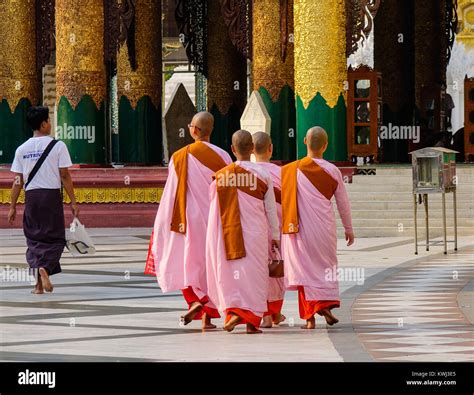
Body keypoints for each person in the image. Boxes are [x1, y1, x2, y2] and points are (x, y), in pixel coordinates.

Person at [147, 112, 232, 330]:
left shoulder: (179, 156)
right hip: (214, 219)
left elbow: (172, 193)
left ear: (194, 130)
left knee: (186, 264)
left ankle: (196, 301)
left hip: (188, 220)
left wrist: (164, 222)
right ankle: (207, 317)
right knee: (211, 267)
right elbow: (228, 192)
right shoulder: (224, 157)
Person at [206, 130, 280, 334]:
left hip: (229, 236)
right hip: (256, 235)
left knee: (232, 276)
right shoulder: (263, 174)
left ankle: (234, 313)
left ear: (232, 149)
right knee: (255, 277)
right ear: (253, 149)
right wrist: (275, 236)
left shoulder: (221, 177)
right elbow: (271, 210)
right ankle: (249, 322)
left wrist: (214, 239)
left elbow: (213, 210)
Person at [281, 126, 354, 329]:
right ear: (325, 145)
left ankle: (310, 318)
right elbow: (343, 203)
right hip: (325, 229)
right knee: (324, 268)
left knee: (305, 269)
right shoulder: (333, 171)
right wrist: (349, 229)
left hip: (300, 228)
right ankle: (324, 305)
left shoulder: (291, 170)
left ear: (304, 141)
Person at [8, 106, 78, 294]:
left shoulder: (21, 149)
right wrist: (73, 201)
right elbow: (64, 175)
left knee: (34, 238)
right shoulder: (58, 146)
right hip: (51, 198)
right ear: (44, 124)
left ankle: (38, 285)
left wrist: (12, 206)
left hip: (32, 198)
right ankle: (44, 268)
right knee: (55, 238)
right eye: (49, 119)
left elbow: (17, 181)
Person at [252, 132, 285, 328]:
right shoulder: (282, 173)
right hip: (277, 228)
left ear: (252, 150)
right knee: (276, 272)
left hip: (254, 228)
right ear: (270, 148)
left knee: (258, 271)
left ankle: (264, 314)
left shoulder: (248, 172)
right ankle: (275, 313)